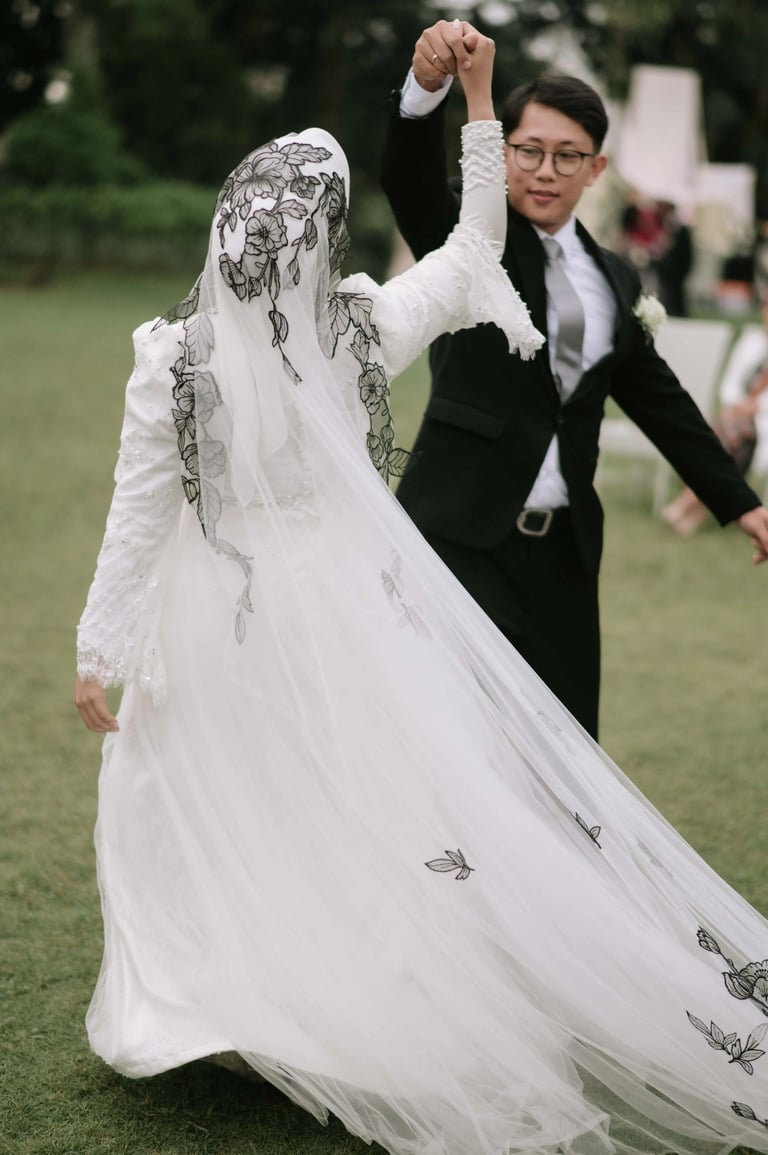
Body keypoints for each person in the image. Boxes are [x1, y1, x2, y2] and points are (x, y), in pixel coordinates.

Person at [73, 32, 768, 1155]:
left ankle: (235, 1006)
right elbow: (477, 241)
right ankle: (277, 1005)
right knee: (326, 802)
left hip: (224, 615)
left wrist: (100, 647)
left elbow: (137, 512)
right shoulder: (351, 330)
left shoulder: (187, 355)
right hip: (333, 608)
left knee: (233, 795)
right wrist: (475, 101)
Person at [381, 19, 768, 739]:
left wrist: (740, 501)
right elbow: (409, 181)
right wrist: (425, 91)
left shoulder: (615, 278)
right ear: (503, 152)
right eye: (529, 150)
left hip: (564, 556)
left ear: (596, 169)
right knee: (446, 743)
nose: (546, 170)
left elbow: (660, 401)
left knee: (565, 747)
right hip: (459, 539)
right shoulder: (471, 242)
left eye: (568, 156)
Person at [662, 290, 768, 533]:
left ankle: (688, 502)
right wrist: (739, 405)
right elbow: (729, 384)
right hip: (734, 414)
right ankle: (696, 510)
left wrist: (756, 406)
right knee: (728, 435)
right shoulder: (751, 342)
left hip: (761, 420)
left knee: (733, 436)